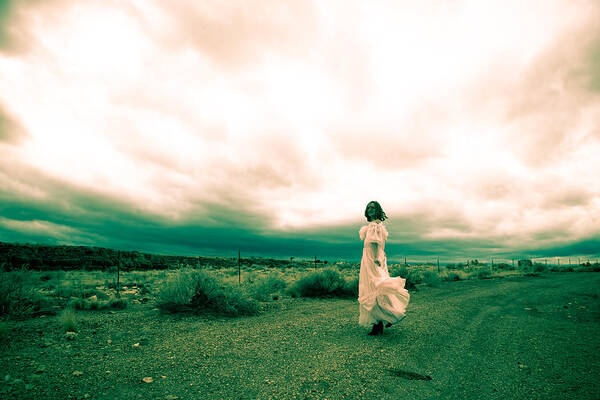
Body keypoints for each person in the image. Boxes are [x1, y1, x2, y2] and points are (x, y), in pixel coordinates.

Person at [358, 201, 410, 335]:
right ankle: (380, 321)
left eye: (373, 207)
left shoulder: (375, 225)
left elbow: (375, 243)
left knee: (374, 288)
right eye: (368, 207)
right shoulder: (375, 225)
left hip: (372, 259)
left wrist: (375, 260)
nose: (370, 209)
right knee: (376, 289)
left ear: (378, 210)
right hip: (372, 258)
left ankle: (387, 317)